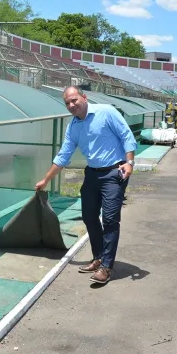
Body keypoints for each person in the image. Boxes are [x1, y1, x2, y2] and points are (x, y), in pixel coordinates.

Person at [35, 86, 136, 285]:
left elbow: (127, 136)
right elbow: (63, 156)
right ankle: (98, 257)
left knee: (110, 219)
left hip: (114, 172)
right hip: (92, 173)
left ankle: (106, 267)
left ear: (84, 97)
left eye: (74, 100)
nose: (72, 105)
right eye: (67, 103)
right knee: (89, 216)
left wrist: (129, 162)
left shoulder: (106, 112)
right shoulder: (73, 126)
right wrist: (46, 180)